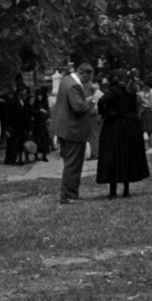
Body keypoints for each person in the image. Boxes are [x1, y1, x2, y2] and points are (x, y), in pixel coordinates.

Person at [96, 72, 151, 198]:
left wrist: (104, 112)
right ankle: (126, 190)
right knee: (128, 155)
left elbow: (101, 101)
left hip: (115, 125)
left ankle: (113, 191)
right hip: (130, 125)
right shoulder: (130, 91)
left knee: (112, 155)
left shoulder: (113, 91)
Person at [52, 59, 97, 205]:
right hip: (73, 131)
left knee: (69, 163)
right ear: (83, 75)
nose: (88, 83)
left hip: (64, 129)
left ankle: (70, 193)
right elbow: (78, 108)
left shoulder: (66, 80)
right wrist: (91, 101)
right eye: (88, 80)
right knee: (73, 164)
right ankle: (68, 195)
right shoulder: (74, 86)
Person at [139, 80, 152, 152]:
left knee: (149, 130)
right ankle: (149, 147)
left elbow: (149, 105)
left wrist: (143, 104)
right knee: (147, 129)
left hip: (149, 112)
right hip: (147, 112)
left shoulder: (151, 93)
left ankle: (151, 147)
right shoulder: (149, 92)